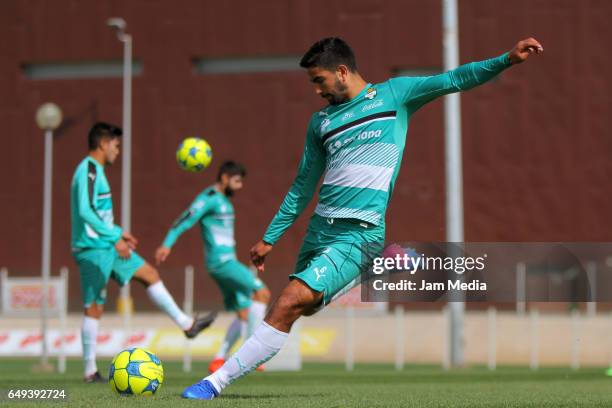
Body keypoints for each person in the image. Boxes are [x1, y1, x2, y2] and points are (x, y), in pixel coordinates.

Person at [182, 36, 544, 399]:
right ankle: (381, 264)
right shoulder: (320, 122)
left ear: (342, 71)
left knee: (288, 301)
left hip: (360, 232)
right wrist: (270, 237)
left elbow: (453, 79)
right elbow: (302, 186)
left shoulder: (395, 95)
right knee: (302, 310)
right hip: (320, 230)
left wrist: (506, 60)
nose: (316, 91)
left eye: (319, 80)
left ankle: (214, 383)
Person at [71, 122, 216, 383]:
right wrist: (114, 236)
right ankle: (89, 371)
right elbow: (85, 210)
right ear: (103, 144)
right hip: (93, 249)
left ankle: (187, 325)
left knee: (149, 273)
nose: (118, 150)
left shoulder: (97, 171)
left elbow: (97, 212)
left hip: (107, 245)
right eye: (116, 145)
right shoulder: (89, 170)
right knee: (93, 308)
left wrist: (118, 232)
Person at [155, 161, 271, 373]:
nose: (240, 186)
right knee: (262, 292)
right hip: (223, 263)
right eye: (236, 181)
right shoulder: (208, 198)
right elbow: (186, 218)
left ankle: (218, 359)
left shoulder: (223, 201)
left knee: (244, 313)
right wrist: (167, 244)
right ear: (225, 177)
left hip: (222, 264)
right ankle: (252, 354)